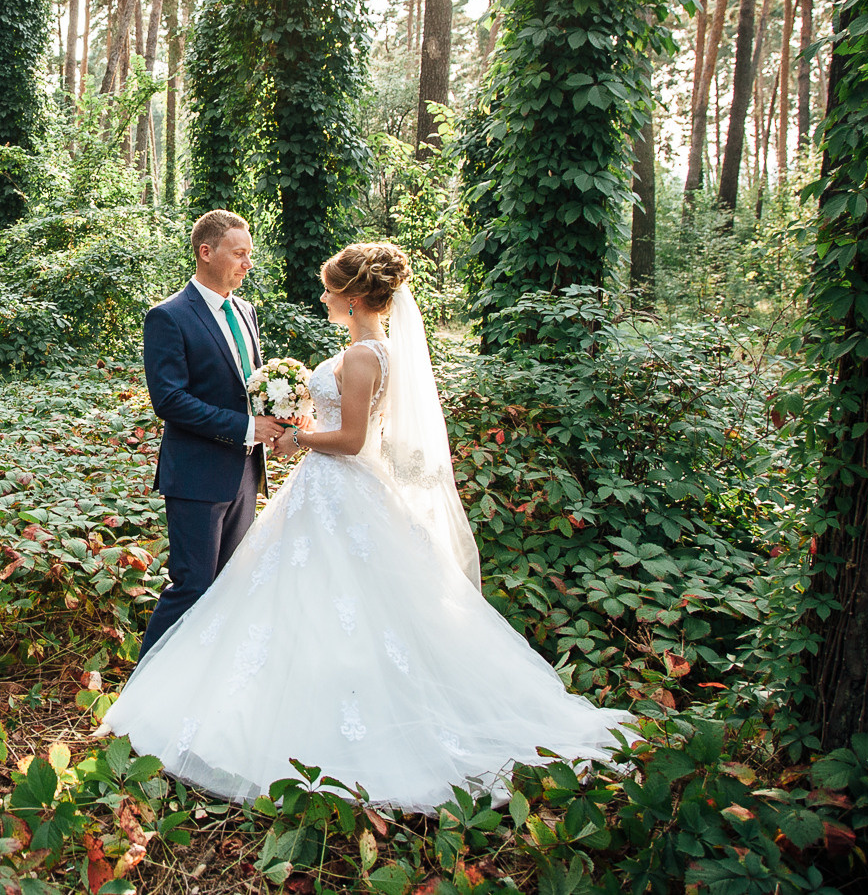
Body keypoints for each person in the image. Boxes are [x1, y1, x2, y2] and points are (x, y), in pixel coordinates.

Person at [101, 242, 636, 810]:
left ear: (354, 299)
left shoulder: (362, 357)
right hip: (327, 489)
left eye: (330, 289)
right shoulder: (371, 349)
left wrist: (294, 437)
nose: (324, 296)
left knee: (321, 603)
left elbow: (353, 440)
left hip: (338, 486)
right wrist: (296, 425)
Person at [137, 210, 295, 655]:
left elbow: (247, 383)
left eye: (250, 254)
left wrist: (281, 417)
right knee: (192, 586)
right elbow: (169, 400)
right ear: (206, 252)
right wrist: (245, 425)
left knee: (231, 587)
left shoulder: (246, 311)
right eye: (239, 254)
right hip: (197, 476)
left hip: (246, 473)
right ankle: (137, 701)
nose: (248, 264)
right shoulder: (168, 317)